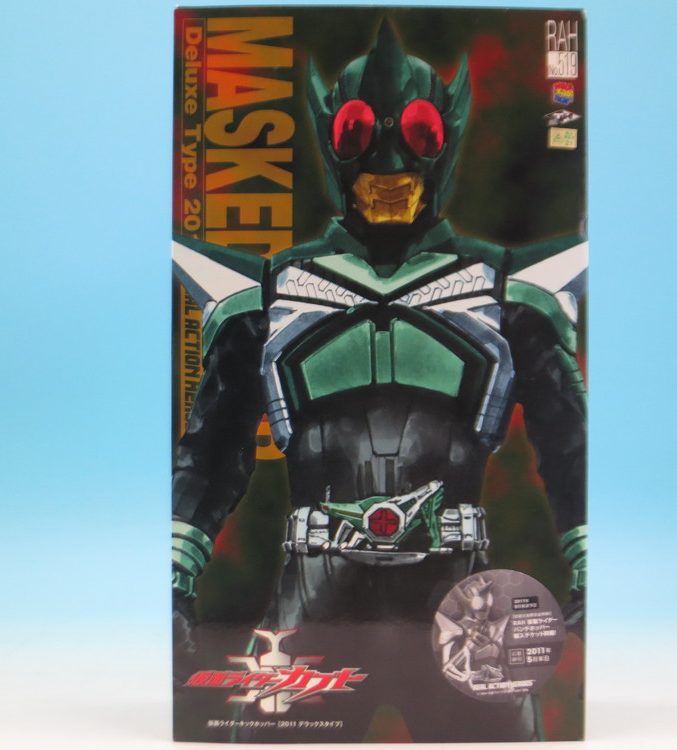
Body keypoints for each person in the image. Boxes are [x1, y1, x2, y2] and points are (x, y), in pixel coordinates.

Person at [171, 22, 586, 742]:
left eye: (417, 132)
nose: (388, 163)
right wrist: (172, 574)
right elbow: (212, 448)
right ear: (335, 139)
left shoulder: (506, 290)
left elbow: (567, 439)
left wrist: (590, 561)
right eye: (359, 133)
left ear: (441, 141)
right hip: (315, 599)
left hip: (462, 608)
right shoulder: (274, 294)